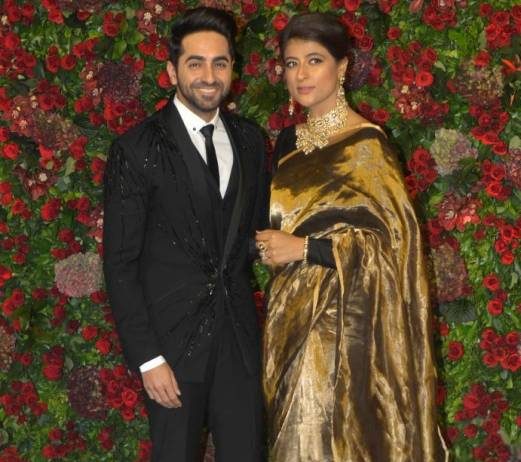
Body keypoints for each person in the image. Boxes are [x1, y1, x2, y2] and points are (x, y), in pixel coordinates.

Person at [256, 13, 446, 462]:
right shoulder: (286, 143)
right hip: (287, 314)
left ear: (342, 67)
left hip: (344, 323)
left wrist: (304, 248)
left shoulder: (368, 145)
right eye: (291, 63)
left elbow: (394, 247)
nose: (301, 75)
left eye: (314, 60)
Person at [103, 7, 266, 462]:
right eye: (196, 63)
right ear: (173, 71)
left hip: (239, 347)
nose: (209, 76)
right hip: (171, 353)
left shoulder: (251, 141)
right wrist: (148, 358)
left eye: (220, 63)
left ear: (233, 69)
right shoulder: (136, 149)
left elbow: (250, 236)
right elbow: (120, 263)